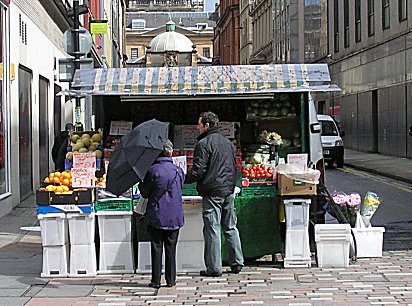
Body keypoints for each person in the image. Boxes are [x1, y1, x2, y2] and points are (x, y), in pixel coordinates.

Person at [185, 111, 244, 277]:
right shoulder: (228, 143)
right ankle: (237, 262)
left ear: (207, 125)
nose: (197, 127)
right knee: (230, 226)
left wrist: (183, 178)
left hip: (212, 191)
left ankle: (214, 267)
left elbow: (198, 171)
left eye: (199, 124)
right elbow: (234, 166)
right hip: (228, 189)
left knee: (212, 228)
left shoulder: (203, 144)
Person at [139, 140, 185, 289]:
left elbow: (145, 193)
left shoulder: (152, 171)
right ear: (170, 153)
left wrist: (141, 182)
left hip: (157, 214)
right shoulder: (179, 171)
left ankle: (156, 280)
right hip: (175, 215)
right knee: (171, 248)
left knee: (156, 247)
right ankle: (171, 279)